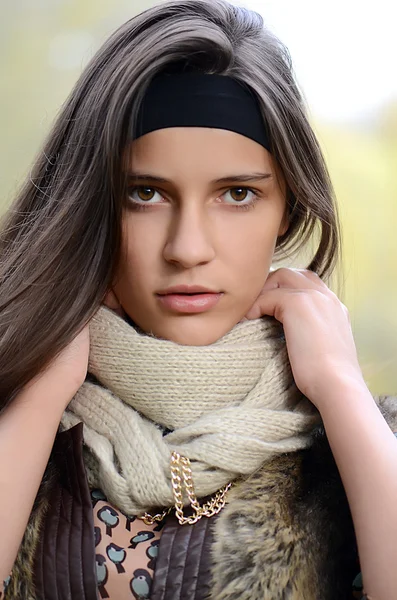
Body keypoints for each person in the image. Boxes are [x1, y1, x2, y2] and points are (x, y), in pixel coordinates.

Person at [0, 0, 396, 598]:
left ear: (286, 210)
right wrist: (38, 396)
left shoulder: (358, 442)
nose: (187, 249)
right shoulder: (21, 413)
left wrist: (340, 388)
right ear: (91, 207)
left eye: (237, 193)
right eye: (145, 193)